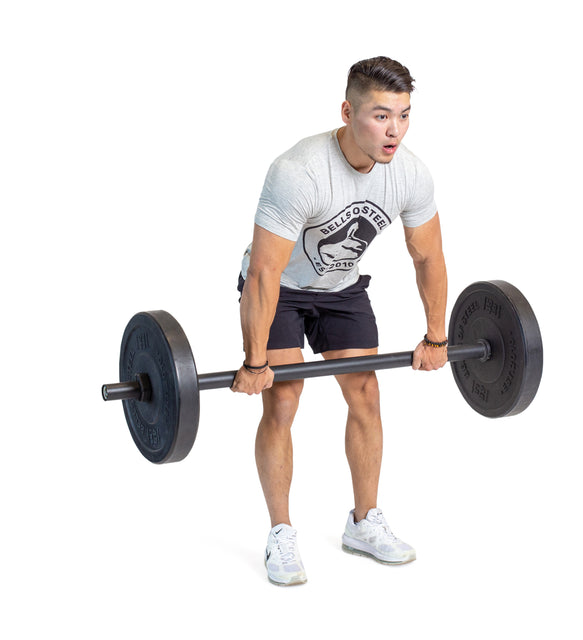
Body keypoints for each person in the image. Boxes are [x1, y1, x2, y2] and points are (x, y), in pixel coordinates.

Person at [231, 56, 448, 586]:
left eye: (403, 114)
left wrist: (437, 336)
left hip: (341, 290)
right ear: (348, 111)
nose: (393, 129)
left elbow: (428, 257)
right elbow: (264, 271)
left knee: (366, 394)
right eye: (380, 115)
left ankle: (363, 522)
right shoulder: (299, 170)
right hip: (279, 290)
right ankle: (281, 532)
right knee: (282, 397)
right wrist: (256, 361)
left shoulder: (410, 173)